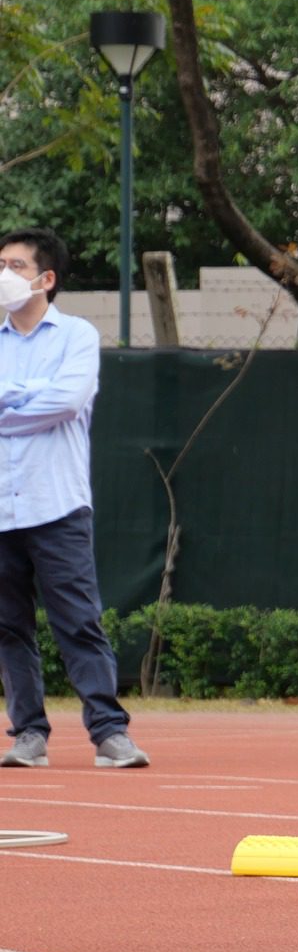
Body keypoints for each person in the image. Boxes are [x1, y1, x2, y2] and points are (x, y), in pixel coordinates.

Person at [0, 228, 149, 772]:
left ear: (46, 279)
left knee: (78, 622)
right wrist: (28, 398)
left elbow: (66, 402)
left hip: (56, 505)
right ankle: (28, 735)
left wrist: (11, 401)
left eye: (15, 266)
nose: (3, 275)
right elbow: (46, 401)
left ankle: (110, 733)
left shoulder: (77, 336)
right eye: (0, 264)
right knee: (8, 628)